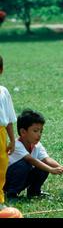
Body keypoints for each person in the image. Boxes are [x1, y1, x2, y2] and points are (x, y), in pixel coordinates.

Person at [4, 110, 63, 199]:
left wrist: (60, 167)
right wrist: (51, 169)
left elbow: (46, 159)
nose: (39, 135)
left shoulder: (36, 145)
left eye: (41, 131)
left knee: (42, 165)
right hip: (7, 180)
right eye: (35, 131)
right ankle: (11, 193)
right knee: (24, 164)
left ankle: (34, 191)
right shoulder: (17, 145)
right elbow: (31, 160)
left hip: (21, 178)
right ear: (23, 132)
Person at [0, 55, 16, 209]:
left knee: (1, 167)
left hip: (1, 135)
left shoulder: (3, 92)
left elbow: (9, 119)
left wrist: (12, 139)